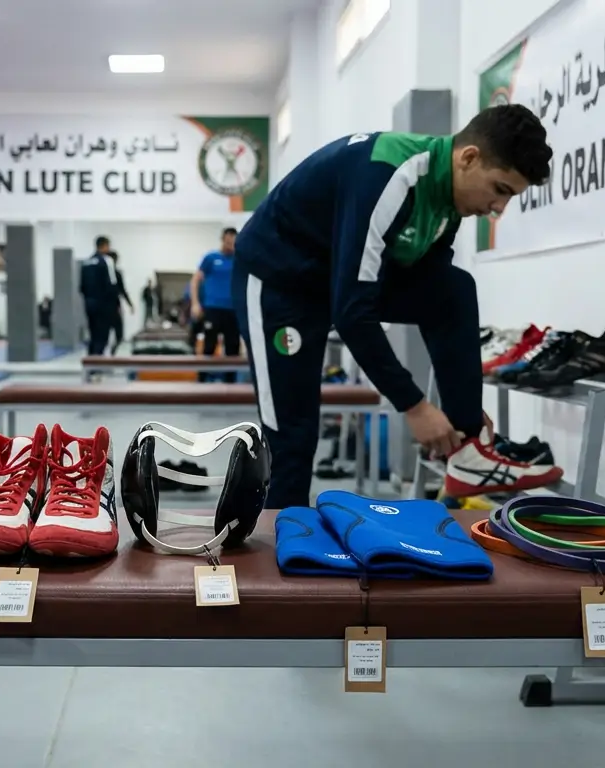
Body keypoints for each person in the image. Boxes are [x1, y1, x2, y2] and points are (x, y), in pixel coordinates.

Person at [230, 104, 565, 508]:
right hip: (277, 282)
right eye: (500, 190)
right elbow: (352, 311)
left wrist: (466, 412)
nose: (499, 209)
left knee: (454, 289)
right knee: (293, 435)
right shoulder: (390, 176)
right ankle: (283, 551)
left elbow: (430, 286)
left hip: (331, 279)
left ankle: (468, 448)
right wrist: (414, 405)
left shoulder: (450, 199)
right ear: (469, 158)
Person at [190, 227, 241, 381]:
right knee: (209, 346)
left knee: (232, 348)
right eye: (227, 241)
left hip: (233, 310)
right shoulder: (211, 258)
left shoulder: (239, 259)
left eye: (233, 242)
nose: (230, 244)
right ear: (222, 240)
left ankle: (230, 385)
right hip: (213, 309)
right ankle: (202, 381)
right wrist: (195, 303)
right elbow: (195, 280)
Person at [79, 236, 119, 355]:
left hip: (89, 304)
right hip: (103, 306)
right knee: (102, 336)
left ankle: (91, 362)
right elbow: (112, 284)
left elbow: (81, 286)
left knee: (93, 334)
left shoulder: (86, 263)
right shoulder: (107, 261)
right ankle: (98, 364)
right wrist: (113, 306)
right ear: (105, 246)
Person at [106, 250, 134, 353]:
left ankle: (111, 351)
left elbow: (122, 290)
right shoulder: (104, 273)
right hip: (107, 307)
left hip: (113, 306)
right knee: (104, 335)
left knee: (119, 334)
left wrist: (130, 304)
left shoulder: (116, 273)